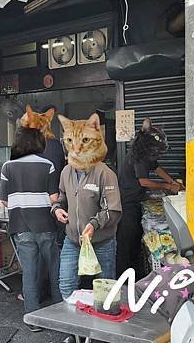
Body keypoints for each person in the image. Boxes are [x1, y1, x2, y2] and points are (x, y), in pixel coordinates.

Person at [52, 114, 122, 301]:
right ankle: (75, 328)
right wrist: (57, 209)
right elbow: (62, 197)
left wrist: (93, 225)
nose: (76, 149)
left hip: (102, 242)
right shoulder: (66, 171)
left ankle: (104, 327)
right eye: (69, 141)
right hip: (73, 241)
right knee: (66, 285)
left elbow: (113, 210)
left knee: (105, 288)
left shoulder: (105, 173)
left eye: (84, 140)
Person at [0, 127, 62, 332]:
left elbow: (4, 201)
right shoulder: (48, 165)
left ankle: (33, 319)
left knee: (29, 271)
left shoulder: (8, 167)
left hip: (21, 225)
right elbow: (54, 199)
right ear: (39, 143)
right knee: (54, 267)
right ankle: (60, 313)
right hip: (45, 224)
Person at [117, 118, 184, 278]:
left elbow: (157, 168)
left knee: (136, 240)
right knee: (128, 242)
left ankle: (136, 274)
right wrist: (168, 187)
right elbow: (144, 181)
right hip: (128, 203)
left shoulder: (146, 153)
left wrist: (173, 182)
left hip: (137, 200)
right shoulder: (137, 156)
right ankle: (125, 279)